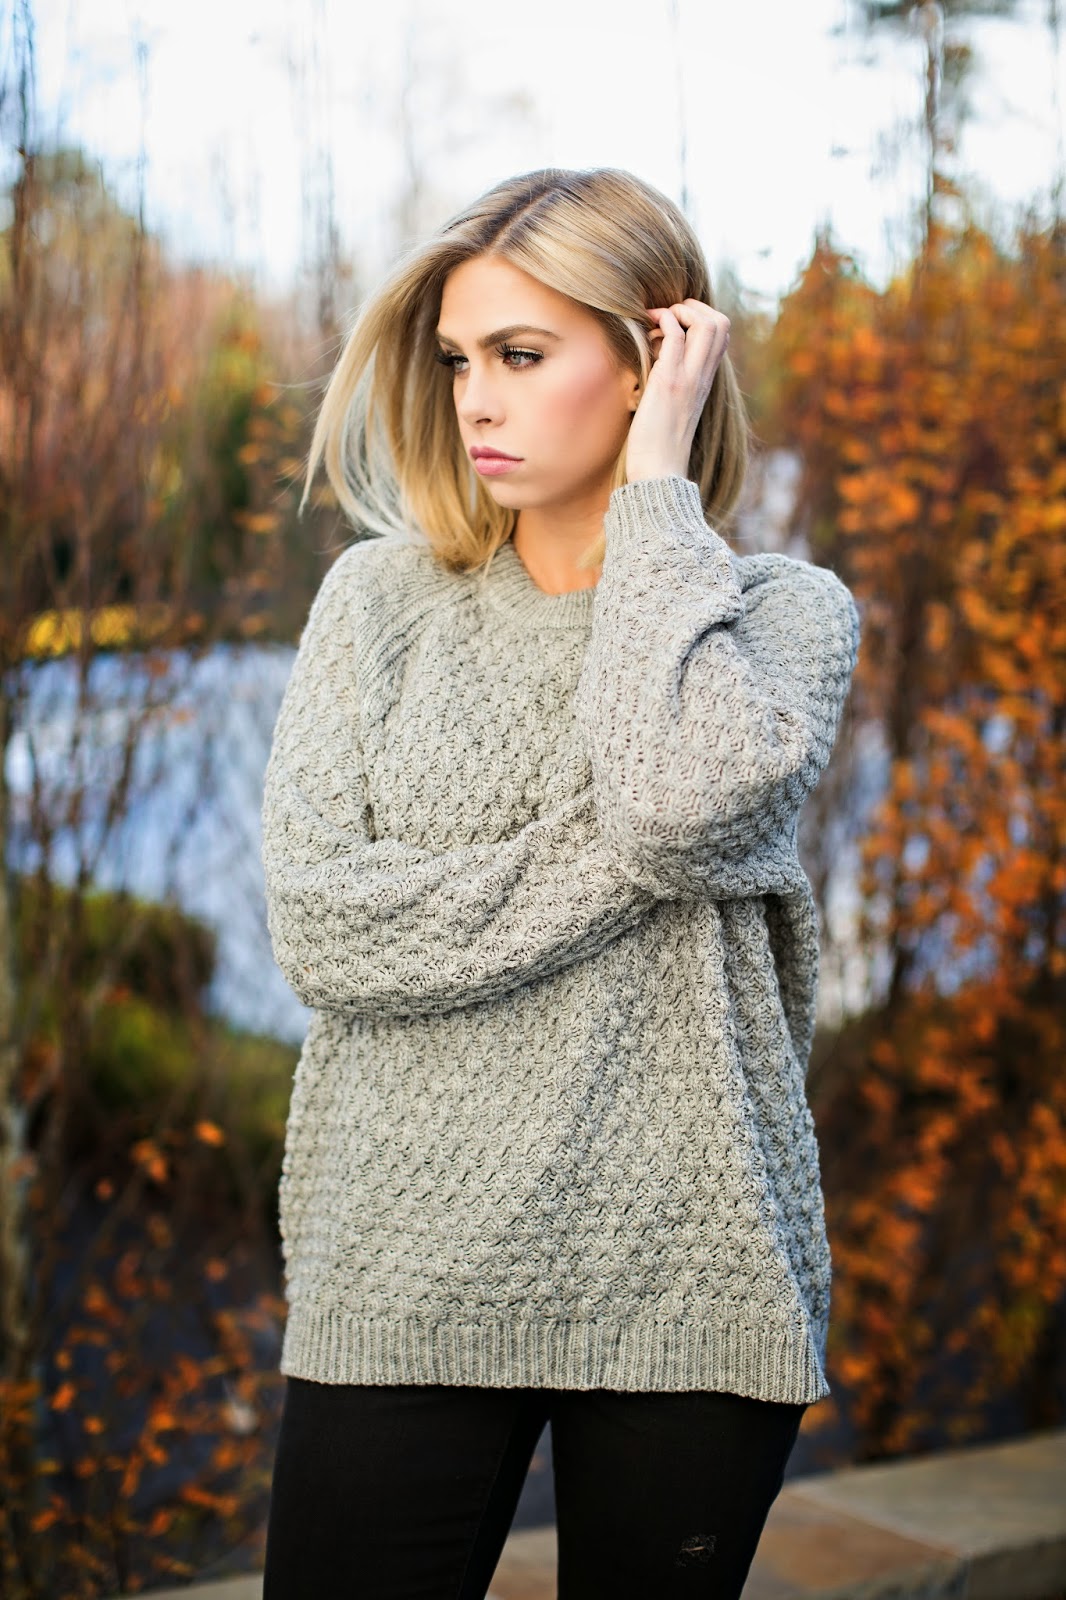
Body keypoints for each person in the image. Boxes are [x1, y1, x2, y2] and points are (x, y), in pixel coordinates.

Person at [258, 166, 861, 1599]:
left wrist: (658, 495)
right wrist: (651, 862)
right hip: (401, 1267)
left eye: (521, 357)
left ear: (657, 357)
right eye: (460, 360)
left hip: (689, 1268)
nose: (475, 399)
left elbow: (675, 796)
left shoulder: (778, 618)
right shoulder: (379, 604)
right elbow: (326, 926)